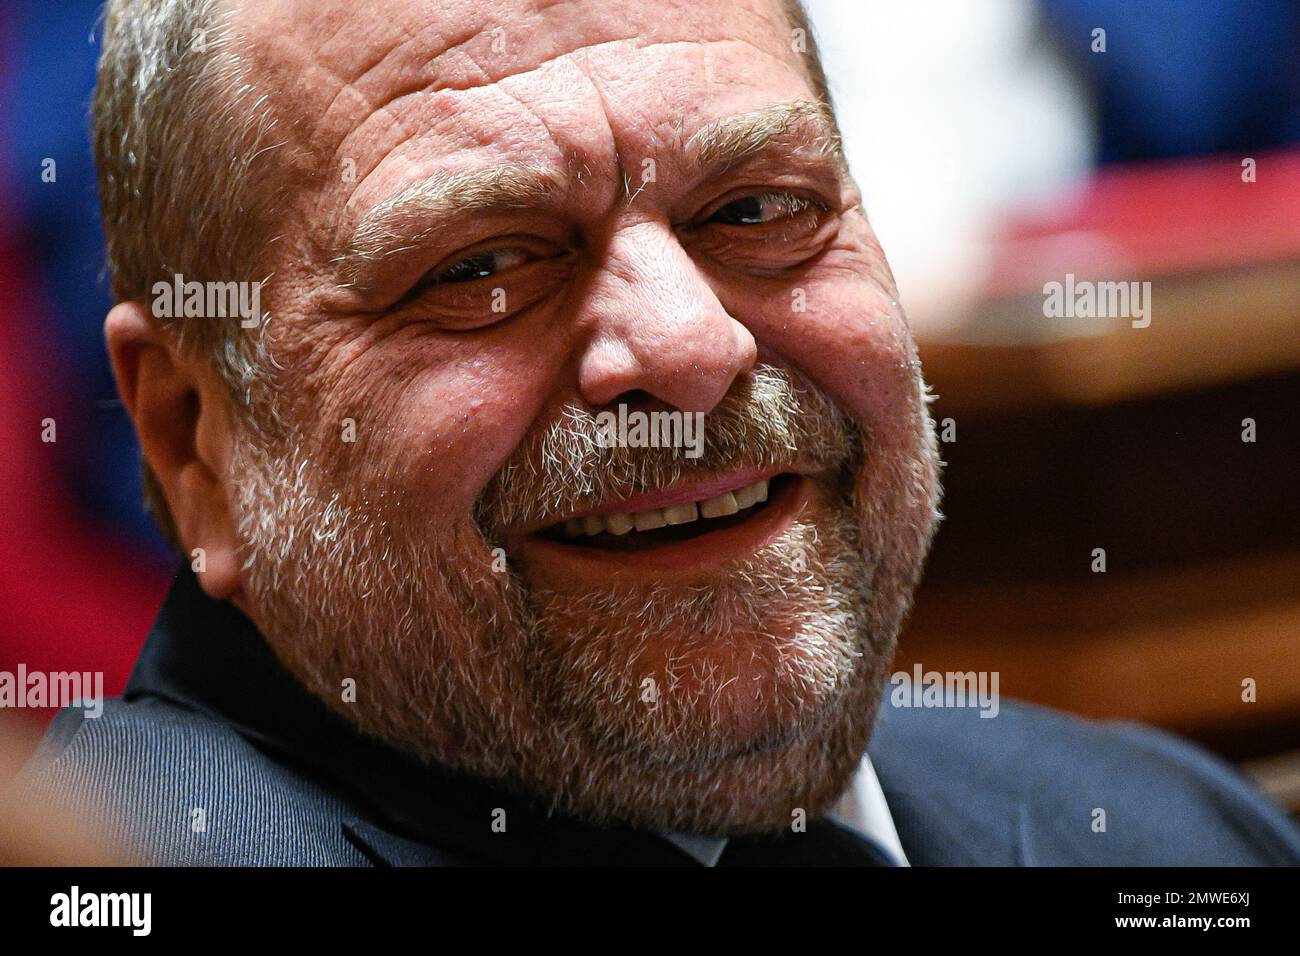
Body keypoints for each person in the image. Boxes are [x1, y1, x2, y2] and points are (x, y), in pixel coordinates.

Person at [14, 0, 1299, 866]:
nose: (691, 348)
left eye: (754, 208)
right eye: (484, 266)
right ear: (195, 439)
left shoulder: (1168, 831)